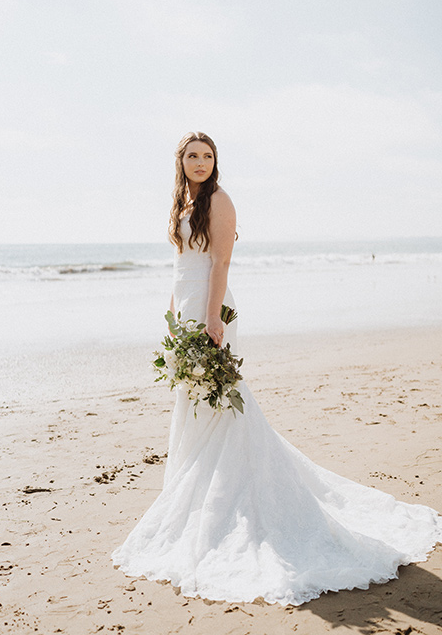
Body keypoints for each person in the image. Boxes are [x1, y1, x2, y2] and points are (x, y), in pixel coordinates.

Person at [111, 131, 442, 606]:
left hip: (211, 305)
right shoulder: (182, 201)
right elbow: (182, 264)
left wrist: (209, 318)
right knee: (193, 400)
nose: (200, 163)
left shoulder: (220, 201)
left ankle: (229, 499)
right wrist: (171, 318)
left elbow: (219, 262)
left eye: (207, 156)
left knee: (222, 401)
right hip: (185, 305)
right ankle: (198, 493)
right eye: (192, 156)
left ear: (214, 162)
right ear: (179, 161)